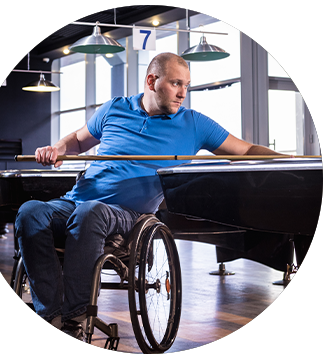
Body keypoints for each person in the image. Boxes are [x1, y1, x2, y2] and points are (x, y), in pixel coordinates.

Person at [15, 52, 280, 340]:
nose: (183, 93)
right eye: (176, 83)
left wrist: (288, 160)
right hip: (75, 201)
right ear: (152, 81)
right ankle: (50, 315)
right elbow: (78, 140)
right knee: (30, 211)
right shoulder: (114, 108)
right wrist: (57, 148)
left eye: (186, 85)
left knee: (90, 212)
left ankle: (75, 316)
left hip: (126, 215)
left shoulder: (194, 124)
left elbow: (244, 151)